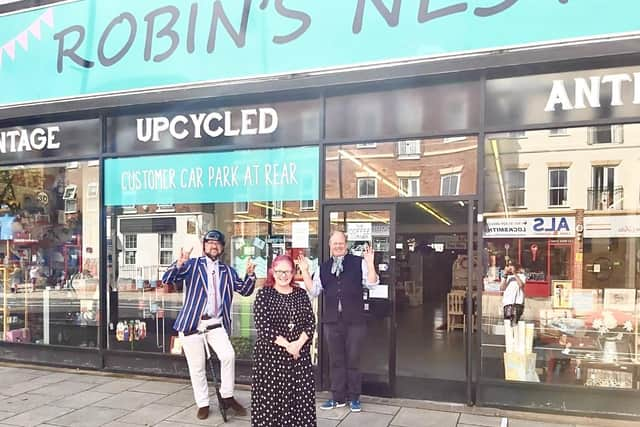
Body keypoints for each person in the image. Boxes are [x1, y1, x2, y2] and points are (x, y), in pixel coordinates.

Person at [162, 229, 255, 420]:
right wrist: (179, 263)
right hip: (192, 323)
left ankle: (227, 396)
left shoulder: (227, 271)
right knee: (197, 367)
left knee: (228, 355)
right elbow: (167, 279)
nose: (213, 246)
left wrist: (250, 276)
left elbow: (245, 290)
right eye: (210, 242)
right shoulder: (192, 265)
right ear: (204, 246)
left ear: (221, 248)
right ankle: (203, 403)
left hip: (215, 323)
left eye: (217, 243)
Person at [299, 230, 378, 413]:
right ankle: (338, 397)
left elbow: (372, 284)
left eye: (340, 243)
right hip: (332, 321)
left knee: (353, 360)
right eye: (334, 243)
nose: (337, 246)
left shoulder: (358, 263)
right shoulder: (324, 267)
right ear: (329, 245)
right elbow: (314, 291)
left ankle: (354, 398)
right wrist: (304, 272)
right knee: (336, 361)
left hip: (355, 320)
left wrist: (370, 263)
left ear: (346, 244)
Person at [251, 255, 316, 426]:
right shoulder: (264, 294)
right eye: (279, 271)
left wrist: (298, 345)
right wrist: (289, 346)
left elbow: (310, 322)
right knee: (272, 401)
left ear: (293, 272)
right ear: (272, 272)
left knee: (299, 399)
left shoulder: (301, 294)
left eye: (287, 271)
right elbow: (264, 327)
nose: (283, 275)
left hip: (298, 356)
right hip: (271, 358)